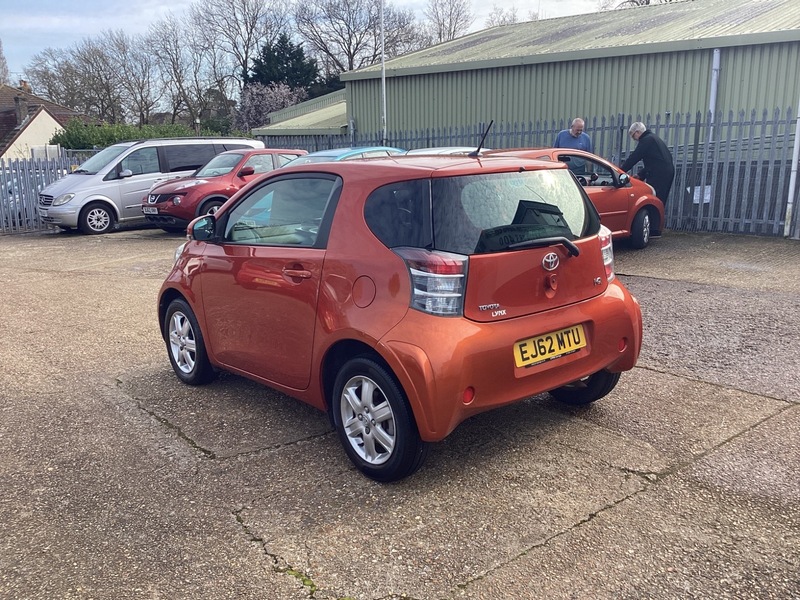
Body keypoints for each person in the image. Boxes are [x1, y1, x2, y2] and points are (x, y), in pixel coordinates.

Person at [621, 122, 675, 207]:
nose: (634, 139)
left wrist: (620, 171)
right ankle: (656, 218)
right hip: (666, 172)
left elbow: (634, 157)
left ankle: (652, 218)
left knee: (653, 200)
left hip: (659, 174)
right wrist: (640, 175)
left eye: (633, 135)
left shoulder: (646, 140)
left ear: (638, 132)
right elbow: (655, 162)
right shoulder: (654, 138)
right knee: (660, 200)